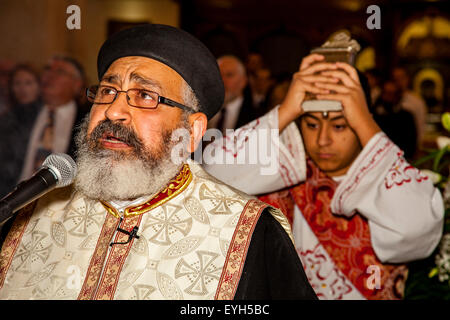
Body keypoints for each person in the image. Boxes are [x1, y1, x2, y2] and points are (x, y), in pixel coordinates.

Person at [0, 24, 316, 300]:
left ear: (192, 132)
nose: (113, 111)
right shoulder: (31, 211)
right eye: (108, 90)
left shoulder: (250, 232)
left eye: (144, 96)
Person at [203, 53, 444, 299]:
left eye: (339, 125)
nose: (323, 140)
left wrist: (365, 121)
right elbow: (212, 173)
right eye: (311, 124)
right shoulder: (282, 175)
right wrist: (286, 111)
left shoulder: (385, 180)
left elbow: (417, 230)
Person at [18, 55, 87, 181]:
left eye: (60, 72)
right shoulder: (20, 114)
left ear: (77, 85)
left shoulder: (88, 120)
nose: (49, 75)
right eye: (47, 69)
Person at [0, 64, 42, 198]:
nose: (22, 89)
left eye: (28, 83)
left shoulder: (47, 117)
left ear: (39, 86)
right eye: (17, 83)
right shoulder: (6, 120)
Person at [208, 55, 262, 134]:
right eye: (218, 74)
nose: (222, 80)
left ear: (243, 81)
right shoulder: (199, 112)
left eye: (229, 75)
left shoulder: (257, 117)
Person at [372, 80, 417, 160]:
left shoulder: (406, 117)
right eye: (387, 93)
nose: (389, 97)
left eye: (393, 94)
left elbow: (411, 146)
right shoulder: (373, 116)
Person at [391, 66, 427, 148]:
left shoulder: (416, 101)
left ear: (407, 79)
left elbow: (420, 126)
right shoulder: (384, 98)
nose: (398, 81)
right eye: (395, 78)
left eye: (401, 78)